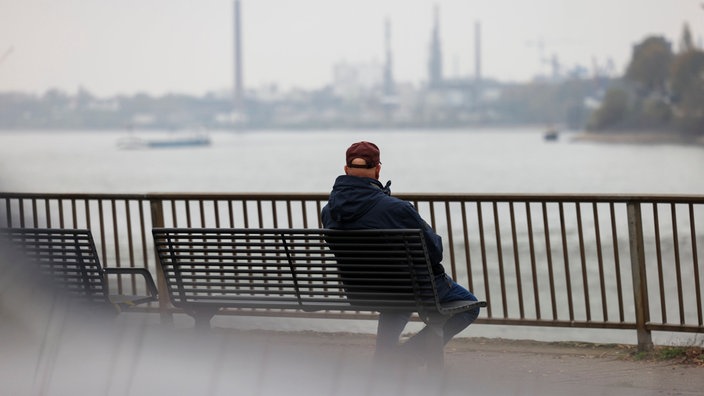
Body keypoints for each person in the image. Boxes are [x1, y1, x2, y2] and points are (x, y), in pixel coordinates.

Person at [321, 141, 480, 364]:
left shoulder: (328, 212)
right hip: (408, 287)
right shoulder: (396, 209)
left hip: (363, 289)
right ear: (378, 169)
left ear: (346, 170)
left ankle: (383, 359)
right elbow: (434, 252)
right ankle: (405, 358)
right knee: (467, 306)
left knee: (396, 298)